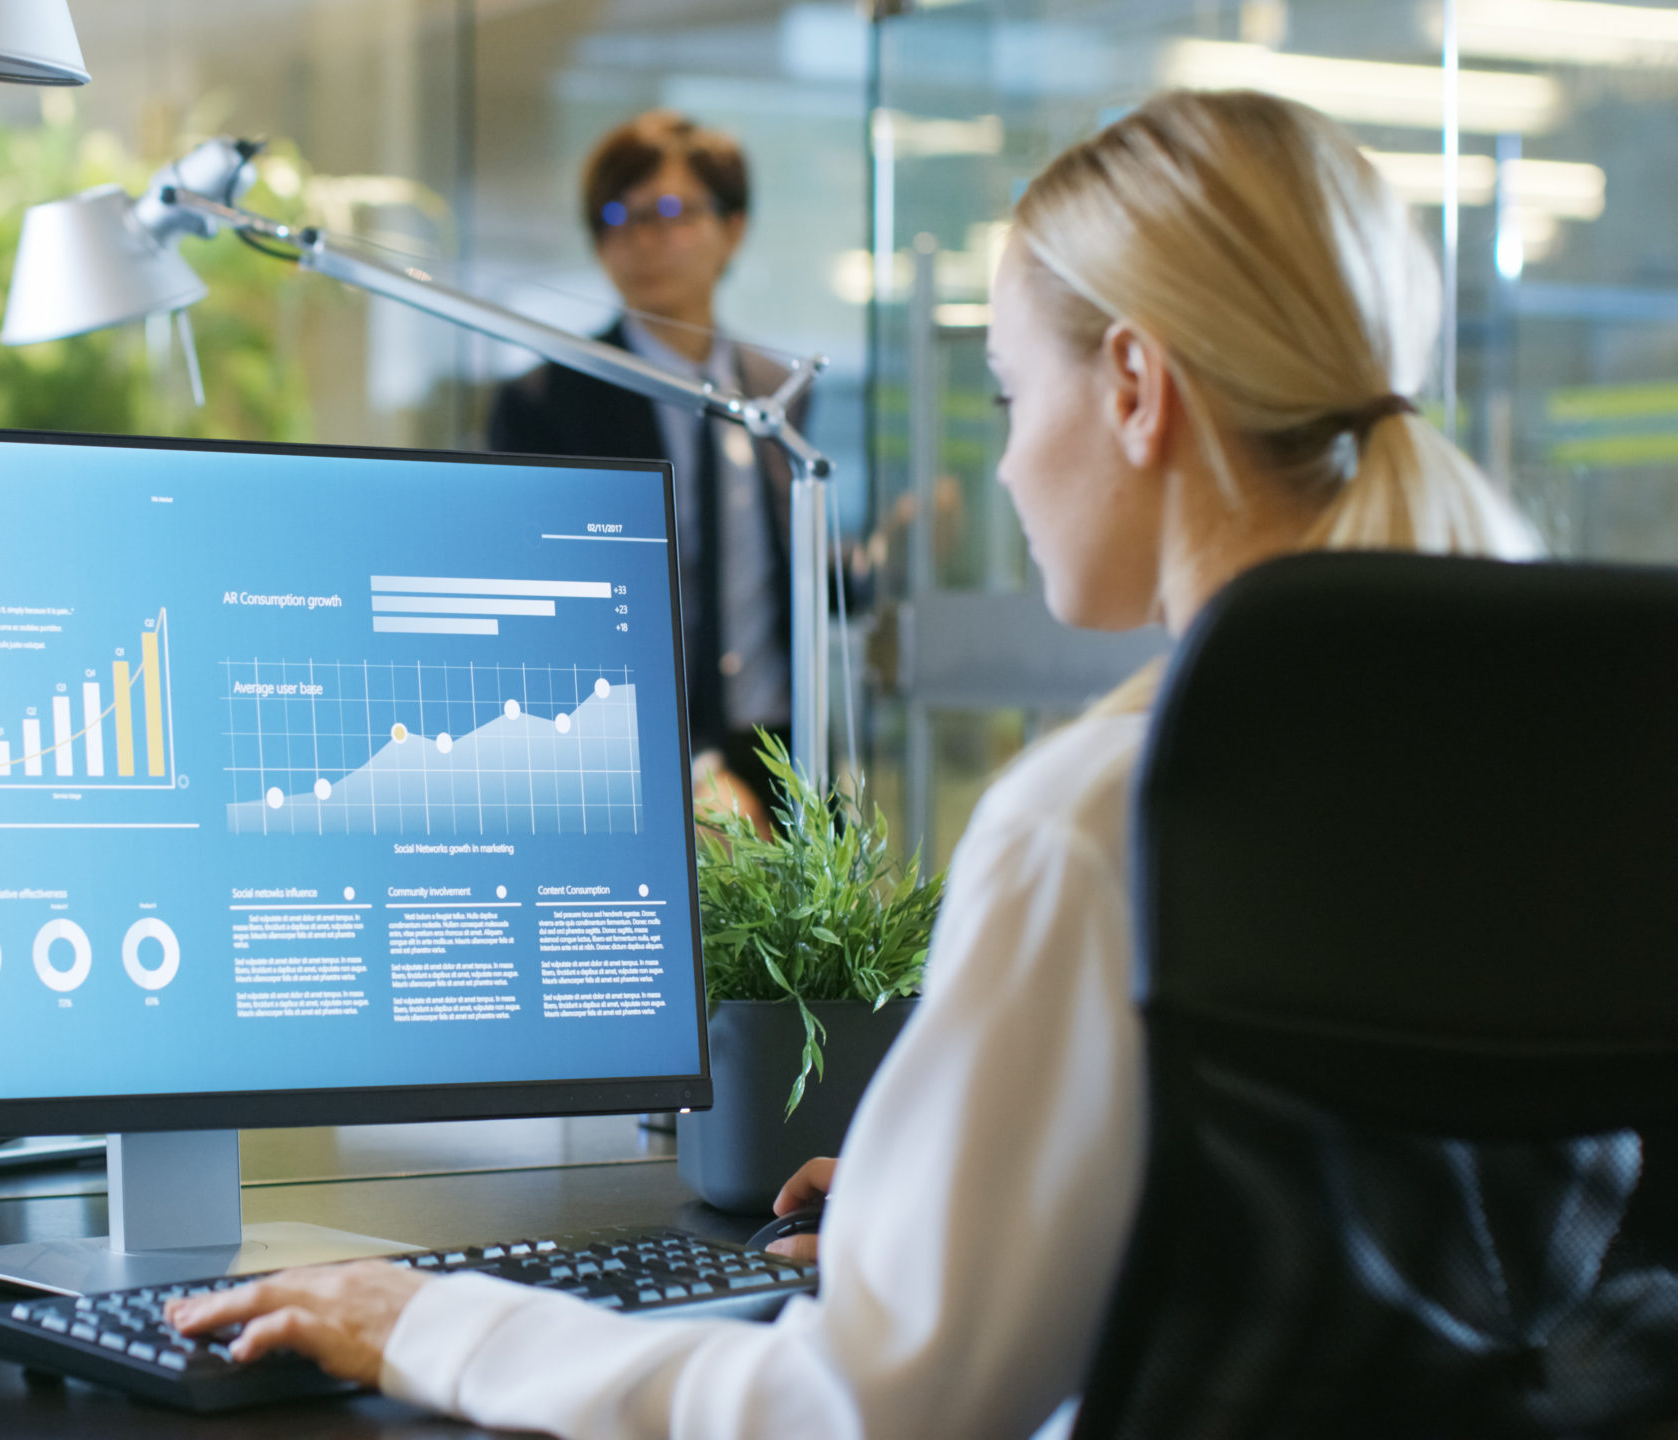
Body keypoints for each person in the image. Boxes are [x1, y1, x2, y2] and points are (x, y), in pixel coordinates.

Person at [169, 88, 1542, 1437]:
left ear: (1134, 386)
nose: (1004, 467)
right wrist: (968, 1207)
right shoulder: (1520, 760)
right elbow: (1345, 1226)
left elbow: (856, 1414)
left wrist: (435, 1325)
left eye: (1008, 393)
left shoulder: (1097, 820)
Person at [488, 111, 803, 819]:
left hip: (785, 753)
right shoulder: (544, 403)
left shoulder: (782, 391)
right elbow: (541, 617)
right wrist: (693, 765)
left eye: (671, 212)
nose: (643, 241)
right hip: (629, 760)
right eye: (617, 218)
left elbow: (774, 571)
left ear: (735, 228)